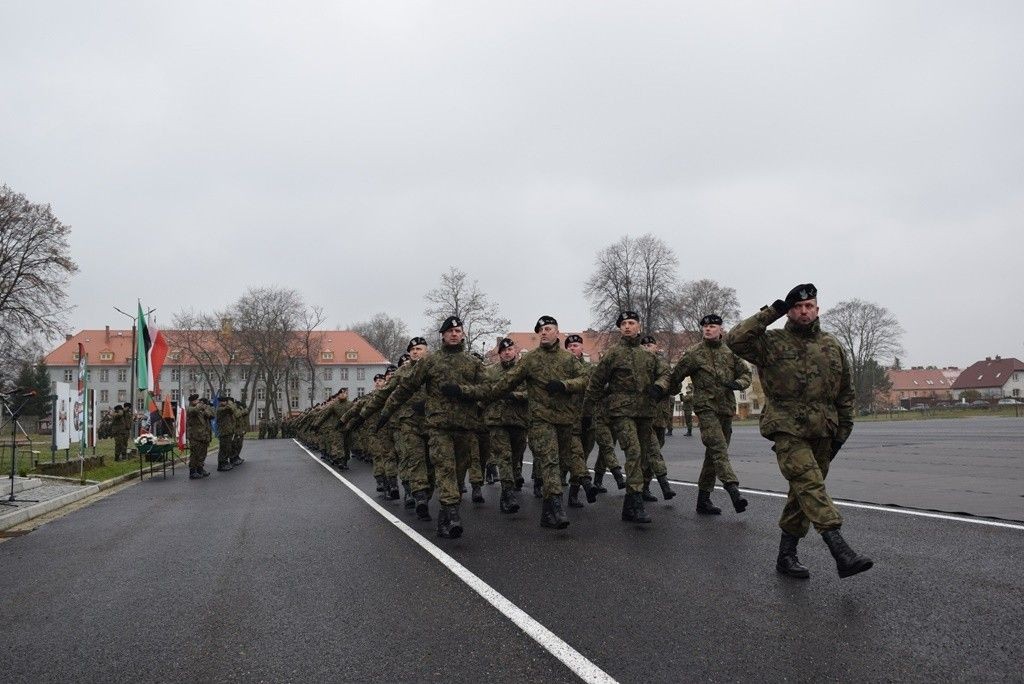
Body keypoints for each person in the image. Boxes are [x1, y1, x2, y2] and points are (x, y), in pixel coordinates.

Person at [726, 283, 873, 579]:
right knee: (810, 485)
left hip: (824, 430)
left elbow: (845, 392)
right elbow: (735, 340)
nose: (803, 311)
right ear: (790, 312)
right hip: (786, 426)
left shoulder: (832, 345)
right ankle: (840, 550)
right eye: (797, 307)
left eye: (809, 306)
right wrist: (773, 311)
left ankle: (786, 555)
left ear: (817, 310)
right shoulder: (771, 342)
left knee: (801, 493)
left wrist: (843, 431)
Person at [467, 316, 598, 528]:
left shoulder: (568, 359)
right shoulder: (531, 359)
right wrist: (482, 402)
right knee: (550, 460)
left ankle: (547, 513)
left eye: (548, 328)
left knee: (562, 461)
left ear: (557, 332)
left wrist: (565, 385)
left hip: (564, 420)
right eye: (541, 330)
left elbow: (585, 380)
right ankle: (556, 506)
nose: (544, 332)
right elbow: (507, 383)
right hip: (539, 420)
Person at [372, 316, 487, 539]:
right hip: (438, 427)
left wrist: (464, 391)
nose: (454, 334)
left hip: (465, 427)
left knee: (457, 472)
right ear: (442, 335)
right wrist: (385, 414)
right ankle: (452, 514)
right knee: (444, 467)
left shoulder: (473, 363)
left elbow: (488, 390)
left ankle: (445, 516)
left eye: (458, 330)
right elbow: (404, 389)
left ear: (462, 334)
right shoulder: (430, 362)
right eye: (449, 331)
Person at [583, 311, 671, 524]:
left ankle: (629, 506)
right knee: (633, 453)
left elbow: (666, 374)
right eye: (623, 324)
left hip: (645, 412)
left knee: (641, 457)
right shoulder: (613, 354)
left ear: (638, 326)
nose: (627, 327)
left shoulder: (649, 356)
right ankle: (638, 503)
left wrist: (659, 387)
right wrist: (586, 413)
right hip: (621, 412)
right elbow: (595, 383)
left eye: (631, 323)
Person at [669, 314, 751, 516]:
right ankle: (733, 491)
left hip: (725, 409)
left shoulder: (730, 352)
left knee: (713, 455)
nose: (708, 329)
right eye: (705, 327)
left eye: (712, 326)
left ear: (721, 329)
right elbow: (675, 377)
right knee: (719, 449)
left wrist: (737, 384)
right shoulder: (693, 353)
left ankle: (703, 500)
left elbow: (746, 374)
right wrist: (668, 389)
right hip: (705, 409)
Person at [481, 337, 526, 514]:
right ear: (499, 354)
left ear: (515, 351)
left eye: (510, 350)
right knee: (504, 457)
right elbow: (483, 391)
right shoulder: (491, 372)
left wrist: (516, 396)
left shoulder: (523, 371)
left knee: (515, 458)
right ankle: (508, 493)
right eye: (503, 350)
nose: (507, 353)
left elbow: (532, 392)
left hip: (519, 421)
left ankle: (506, 495)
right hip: (497, 421)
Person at [186, 394, 215, 479]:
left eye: (197, 400)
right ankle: (192, 472)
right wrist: (200, 405)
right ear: (191, 401)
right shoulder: (190, 408)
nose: (197, 401)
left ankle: (200, 469)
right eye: (195, 400)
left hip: (203, 435)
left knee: (202, 454)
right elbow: (194, 410)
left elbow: (211, 416)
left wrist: (206, 408)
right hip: (194, 436)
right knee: (195, 454)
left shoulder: (200, 409)